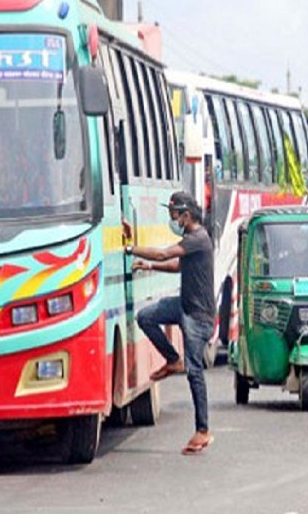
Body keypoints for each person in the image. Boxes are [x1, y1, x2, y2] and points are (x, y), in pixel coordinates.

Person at [126, 191, 215, 455]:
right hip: (183, 306)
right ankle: (172, 358)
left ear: (186, 215)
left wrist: (129, 249)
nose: (172, 220)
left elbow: (164, 255)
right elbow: (177, 266)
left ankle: (203, 430)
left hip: (198, 315)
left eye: (174, 216)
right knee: (146, 317)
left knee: (195, 372)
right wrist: (148, 267)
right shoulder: (191, 240)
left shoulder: (198, 238)